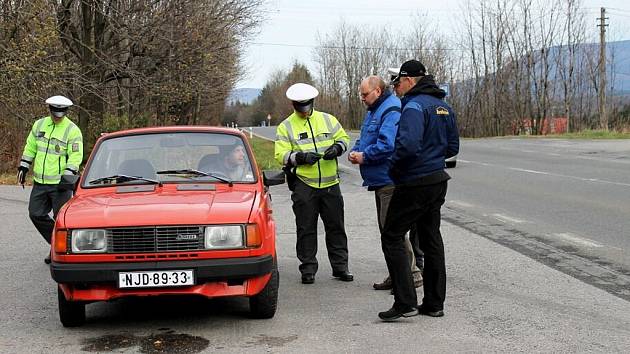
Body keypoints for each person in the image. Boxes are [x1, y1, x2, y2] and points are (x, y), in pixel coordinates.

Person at [377, 60, 459, 321]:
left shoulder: (413, 106)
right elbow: (452, 148)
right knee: (431, 238)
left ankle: (405, 302)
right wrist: (433, 157)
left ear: (410, 80)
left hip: (414, 182)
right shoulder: (443, 106)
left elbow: (407, 146)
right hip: (437, 180)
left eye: (398, 83)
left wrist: (394, 168)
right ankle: (434, 303)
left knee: (391, 235)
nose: (397, 88)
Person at [348, 75, 423, 291]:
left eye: (365, 94)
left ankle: (411, 275)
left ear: (378, 91)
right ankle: (397, 273)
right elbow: (365, 137)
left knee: (393, 232)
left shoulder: (391, 109)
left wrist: (364, 156)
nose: (362, 98)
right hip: (379, 181)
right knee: (387, 231)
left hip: (389, 180)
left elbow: (387, 145)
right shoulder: (374, 109)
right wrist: (356, 150)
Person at [274, 83, 353, 284]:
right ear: (293, 104)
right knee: (305, 228)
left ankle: (341, 267)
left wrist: (337, 148)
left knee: (336, 226)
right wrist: (299, 157)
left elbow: (343, 138)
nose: (304, 108)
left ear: (312, 102)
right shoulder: (286, 126)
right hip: (304, 183)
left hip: (330, 183)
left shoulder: (328, 119)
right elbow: (280, 154)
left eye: (307, 104)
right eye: (300, 105)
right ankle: (308, 269)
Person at [18, 95, 83, 264]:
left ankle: (63, 251)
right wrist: (24, 166)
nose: (57, 116)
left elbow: (75, 156)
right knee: (35, 213)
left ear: (66, 111)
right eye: (55, 113)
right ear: (50, 110)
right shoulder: (39, 125)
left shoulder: (72, 130)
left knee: (61, 219)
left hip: (60, 185)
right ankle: (55, 244)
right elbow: (31, 146)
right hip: (40, 182)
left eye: (60, 113)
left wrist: (68, 176)